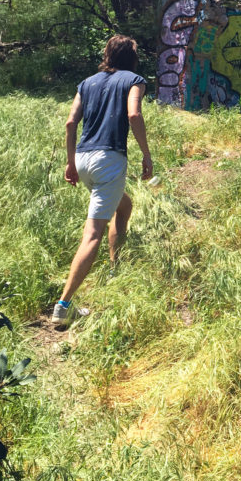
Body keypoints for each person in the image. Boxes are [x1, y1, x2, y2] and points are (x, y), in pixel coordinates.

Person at [52, 34, 153, 329]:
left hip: (83, 159)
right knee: (92, 234)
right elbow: (133, 113)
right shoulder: (135, 80)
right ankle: (64, 305)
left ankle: (114, 268)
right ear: (132, 57)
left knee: (123, 206)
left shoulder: (87, 83)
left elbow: (71, 122)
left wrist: (71, 162)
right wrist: (146, 155)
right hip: (109, 160)